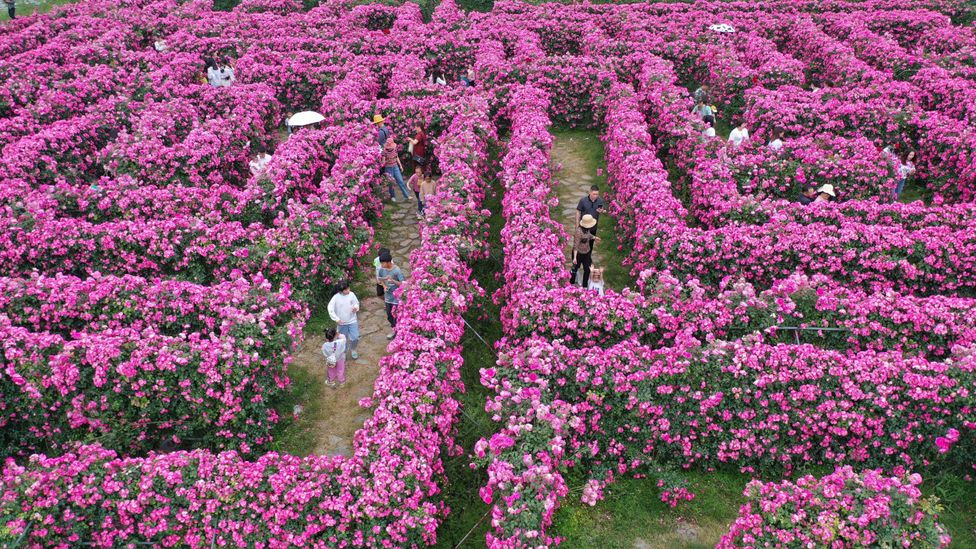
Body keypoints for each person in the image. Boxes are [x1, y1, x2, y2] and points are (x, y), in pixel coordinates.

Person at [327, 280, 361, 360]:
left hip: (352, 320)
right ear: (341, 291)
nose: (348, 290)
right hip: (342, 323)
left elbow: (356, 303)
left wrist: (355, 308)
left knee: (355, 337)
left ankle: (353, 349)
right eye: (346, 290)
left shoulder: (352, 294)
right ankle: (344, 351)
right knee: (342, 339)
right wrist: (336, 319)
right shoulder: (336, 297)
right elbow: (330, 308)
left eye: (348, 288)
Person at [376, 251, 405, 340]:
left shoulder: (397, 271)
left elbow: (403, 284)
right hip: (388, 298)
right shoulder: (381, 270)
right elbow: (380, 280)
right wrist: (384, 286)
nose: (381, 265)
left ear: (388, 262)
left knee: (396, 316)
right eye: (381, 263)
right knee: (389, 315)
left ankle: (397, 332)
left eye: (383, 263)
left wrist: (393, 281)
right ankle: (395, 329)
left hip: (396, 298)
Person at [570, 215, 600, 288]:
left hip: (586, 252)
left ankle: (584, 286)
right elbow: (575, 245)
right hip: (578, 253)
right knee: (575, 268)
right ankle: (572, 283)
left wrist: (594, 237)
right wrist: (574, 258)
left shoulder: (587, 230)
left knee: (587, 269)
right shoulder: (578, 232)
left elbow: (589, 235)